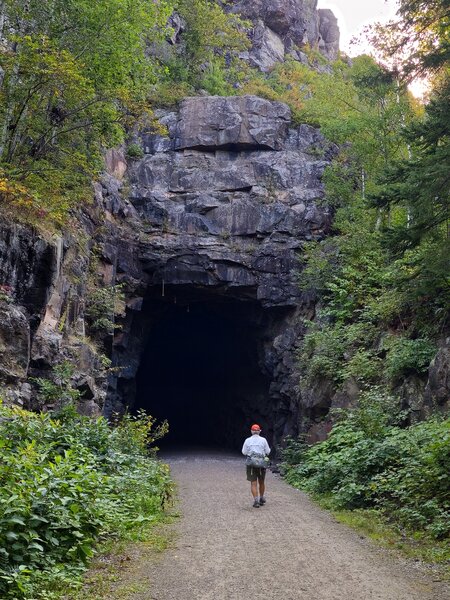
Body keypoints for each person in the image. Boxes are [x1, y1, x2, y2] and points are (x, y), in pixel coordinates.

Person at [242, 423, 270, 508]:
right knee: (261, 482)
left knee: (253, 483)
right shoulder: (263, 440)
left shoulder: (247, 440)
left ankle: (256, 500)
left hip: (251, 464)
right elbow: (268, 452)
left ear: (251, 431)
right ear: (259, 431)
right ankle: (261, 498)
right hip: (261, 464)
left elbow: (244, 452)